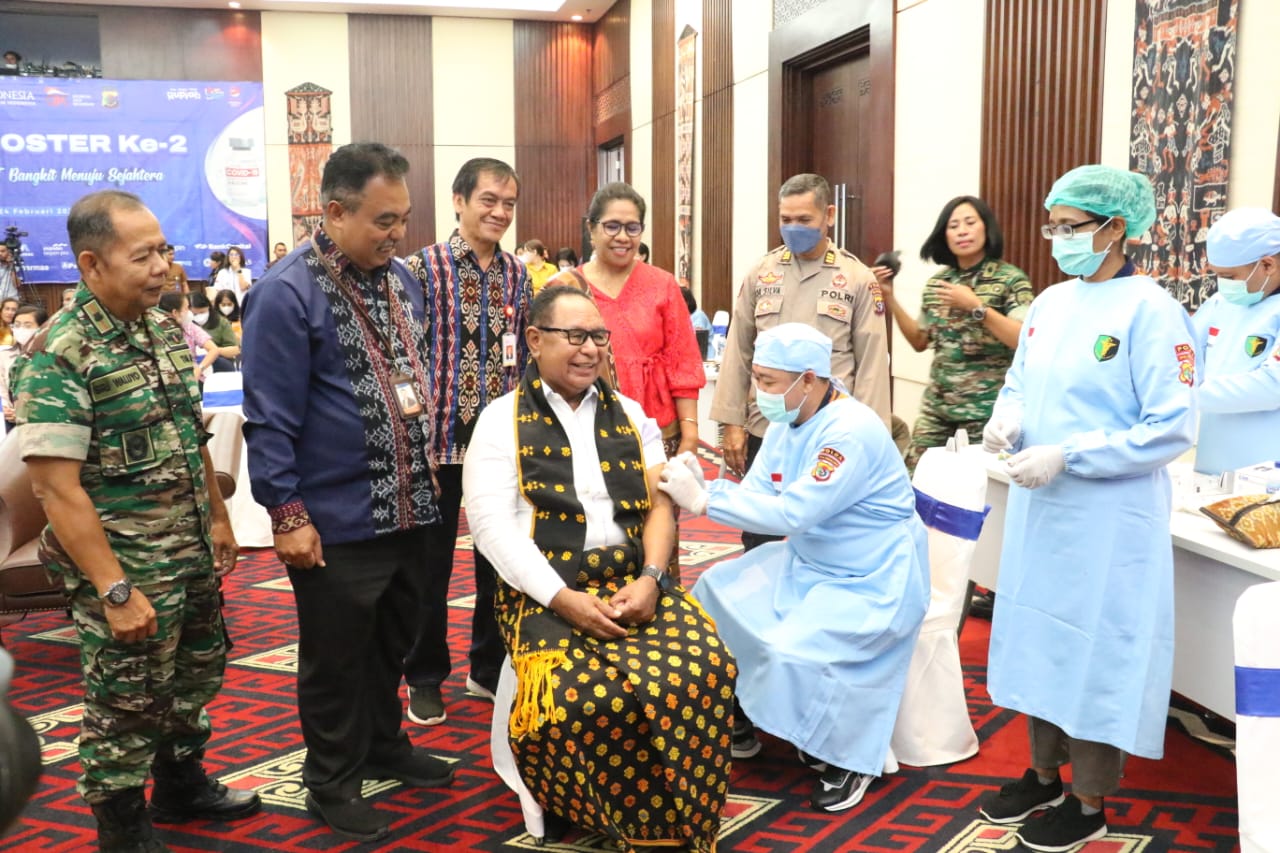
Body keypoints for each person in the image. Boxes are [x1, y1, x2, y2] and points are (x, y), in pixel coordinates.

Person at [12, 189, 260, 851]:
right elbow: (55, 488)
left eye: (164, 250)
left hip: (187, 550)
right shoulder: (59, 354)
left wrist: (219, 518)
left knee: (193, 677)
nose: (162, 268)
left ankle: (181, 784)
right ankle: (120, 826)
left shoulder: (162, 331)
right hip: (124, 565)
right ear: (91, 265)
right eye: (142, 255)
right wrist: (114, 589)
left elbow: (190, 436)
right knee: (126, 699)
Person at [462, 283, 736, 850]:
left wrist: (652, 580)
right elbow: (491, 530)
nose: (590, 349)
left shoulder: (630, 414)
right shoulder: (499, 420)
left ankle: (683, 811)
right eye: (574, 336)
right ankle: (588, 807)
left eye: (598, 337)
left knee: (705, 665)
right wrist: (563, 600)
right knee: (580, 694)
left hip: (635, 579)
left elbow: (660, 503)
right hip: (543, 588)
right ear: (534, 340)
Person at [978, 165, 1197, 852]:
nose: (1060, 239)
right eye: (1054, 227)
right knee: (1039, 637)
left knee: (1097, 649)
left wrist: (1071, 454)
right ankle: (1044, 773)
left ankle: (1090, 798)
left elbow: (1171, 427)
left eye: (1072, 227)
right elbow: (1019, 380)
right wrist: (1009, 417)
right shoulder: (1049, 303)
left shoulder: (1151, 311)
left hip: (1109, 518)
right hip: (1043, 510)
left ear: (1116, 228)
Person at [241, 143, 452, 843]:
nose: (398, 233)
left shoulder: (403, 280)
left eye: (404, 219)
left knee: (394, 639)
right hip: (334, 517)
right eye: (383, 220)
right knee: (336, 658)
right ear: (334, 212)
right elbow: (269, 419)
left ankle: (385, 743)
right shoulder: (285, 292)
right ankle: (332, 779)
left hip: (410, 503)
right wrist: (287, 514)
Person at [660, 322, 928, 814]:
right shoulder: (789, 423)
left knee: (789, 647)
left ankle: (847, 757)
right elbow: (759, 493)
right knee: (715, 590)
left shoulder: (849, 432)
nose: (759, 392)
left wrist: (704, 501)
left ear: (808, 379)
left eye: (768, 381)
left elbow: (794, 513)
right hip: (810, 561)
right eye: (756, 378)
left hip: (871, 576)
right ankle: (740, 708)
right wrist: (708, 484)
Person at [400, 157, 530, 726]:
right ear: (459, 201)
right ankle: (424, 675)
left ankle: (487, 666)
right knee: (428, 570)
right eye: (488, 201)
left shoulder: (518, 275)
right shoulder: (420, 269)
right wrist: (413, 441)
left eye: (508, 204)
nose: (499, 212)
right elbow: (401, 358)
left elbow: (525, 356)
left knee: (498, 563)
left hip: (498, 448)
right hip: (435, 447)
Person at [710, 172, 892, 551]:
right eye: (786, 220)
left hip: (830, 433)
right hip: (766, 425)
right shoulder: (762, 273)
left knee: (827, 532)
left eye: (804, 219)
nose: (793, 228)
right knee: (758, 530)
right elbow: (738, 350)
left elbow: (872, 365)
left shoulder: (856, 278)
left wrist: (871, 438)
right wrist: (731, 424)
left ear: (829, 215)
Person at [877, 196, 1034, 472]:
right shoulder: (938, 283)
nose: (962, 231)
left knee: (978, 484)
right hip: (938, 407)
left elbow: (1023, 339)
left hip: (988, 411)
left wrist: (976, 307)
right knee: (915, 475)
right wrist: (889, 297)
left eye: (970, 223)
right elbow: (919, 341)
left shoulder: (1010, 279)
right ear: (944, 234)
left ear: (986, 228)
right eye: (953, 226)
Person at [553, 182, 705, 461]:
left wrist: (690, 432)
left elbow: (683, 362)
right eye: (612, 226)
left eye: (632, 228)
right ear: (591, 229)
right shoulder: (565, 287)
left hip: (658, 429)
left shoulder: (663, 285)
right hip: (584, 427)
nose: (622, 236)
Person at [1191, 208, 1280, 474]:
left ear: (1268, 265)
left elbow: (1272, 387)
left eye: (1229, 277)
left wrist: (1182, 394)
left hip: (1267, 475)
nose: (1222, 284)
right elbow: (1182, 356)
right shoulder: (1220, 304)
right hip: (1212, 466)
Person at [0, 303, 46, 431]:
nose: (21, 329)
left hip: (43, 422)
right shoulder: (4, 355)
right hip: (11, 423)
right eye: (17, 325)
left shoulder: (51, 356)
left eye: (27, 325)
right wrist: (6, 409)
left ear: (42, 327)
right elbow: (1, 388)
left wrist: (24, 414)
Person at [158, 292, 219, 383]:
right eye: (186, 308)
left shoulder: (189, 327)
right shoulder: (156, 330)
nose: (190, 312)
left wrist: (199, 369)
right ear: (175, 312)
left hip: (191, 378)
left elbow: (214, 350)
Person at [189, 292, 239, 372]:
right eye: (194, 314)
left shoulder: (221, 322)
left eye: (202, 312)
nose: (199, 317)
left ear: (208, 307)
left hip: (218, 363)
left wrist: (214, 351)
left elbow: (235, 350)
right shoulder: (186, 324)